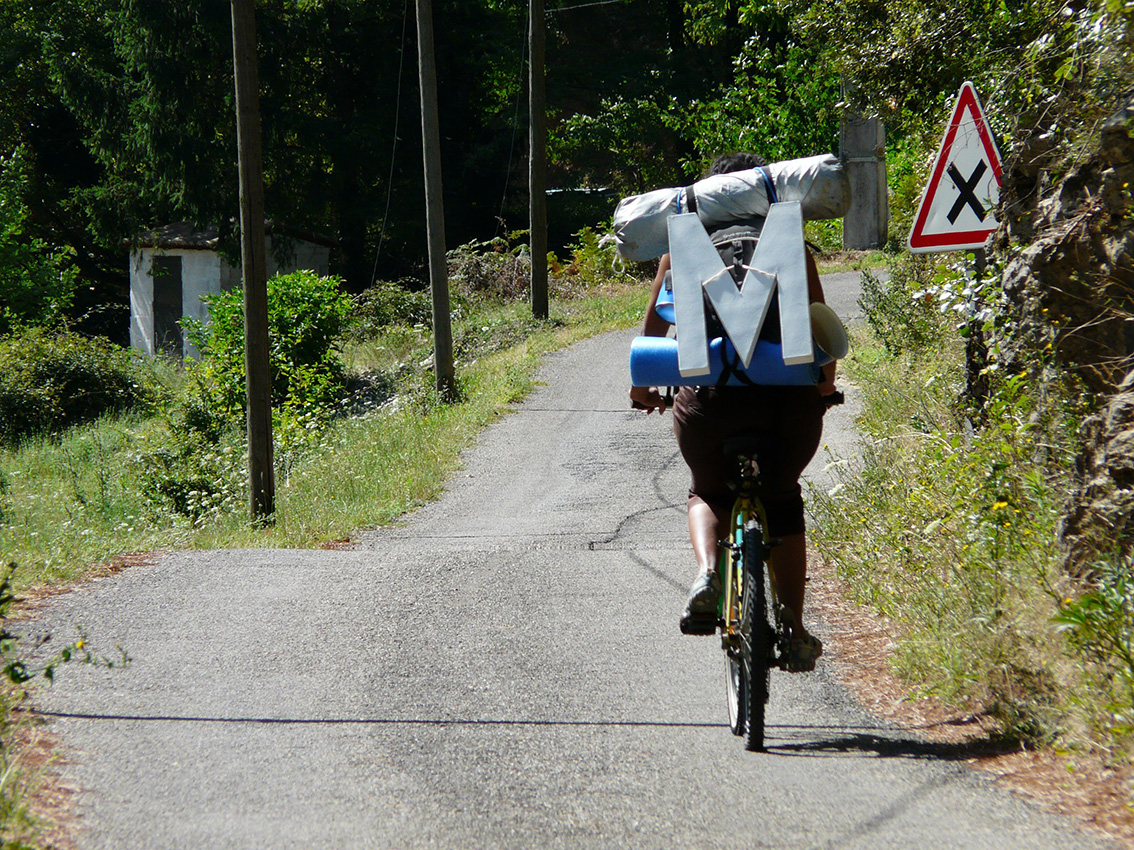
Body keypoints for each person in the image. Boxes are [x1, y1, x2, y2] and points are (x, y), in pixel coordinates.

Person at [629, 152, 838, 672]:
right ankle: (791, 626)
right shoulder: (789, 242)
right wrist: (822, 391)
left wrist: (643, 391)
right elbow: (821, 335)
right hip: (785, 407)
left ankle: (705, 574)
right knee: (783, 503)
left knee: (708, 490)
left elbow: (653, 335)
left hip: (710, 405)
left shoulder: (681, 245)